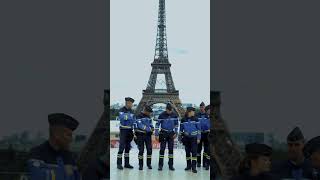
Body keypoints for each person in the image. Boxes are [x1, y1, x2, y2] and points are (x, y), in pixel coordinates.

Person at [27, 113, 80, 180]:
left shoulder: (69, 156)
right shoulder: (37, 154)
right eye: (68, 135)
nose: (71, 139)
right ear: (56, 135)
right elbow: (38, 177)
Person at [155, 103, 179, 171]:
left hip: (171, 133)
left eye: (171, 110)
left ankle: (171, 165)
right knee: (162, 150)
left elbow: (177, 125)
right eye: (168, 110)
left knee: (171, 150)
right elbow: (157, 125)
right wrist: (156, 134)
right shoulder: (161, 115)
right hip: (163, 133)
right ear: (166, 109)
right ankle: (160, 165)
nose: (170, 112)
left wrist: (176, 133)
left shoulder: (174, 115)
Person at [179, 106, 201, 173]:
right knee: (187, 152)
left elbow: (199, 129)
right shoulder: (183, 120)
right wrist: (180, 138)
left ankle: (194, 167)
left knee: (194, 152)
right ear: (189, 112)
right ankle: (188, 166)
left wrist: (198, 138)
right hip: (186, 138)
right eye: (193, 111)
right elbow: (181, 130)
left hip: (194, 138)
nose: (194, 112)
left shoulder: (196, 119)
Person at [117, 97, 135, 170]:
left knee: (127, 148)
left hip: (130, 130)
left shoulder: (132, 111)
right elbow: (122, 118)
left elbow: (133, 120)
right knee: (121, 148)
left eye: (132, 103)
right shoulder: (121, 110)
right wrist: (130, 117)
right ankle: (119, 164)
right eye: (131, 103)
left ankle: (126, 163)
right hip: (123, 130)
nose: (131, 105)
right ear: (127, 103)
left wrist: (128, 117)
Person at [134, 105, 154, 170]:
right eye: (149, 112)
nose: (149, 114)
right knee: (141, 150)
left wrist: (152, 128)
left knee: (149, 150)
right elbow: (140, 126)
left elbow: (151, 124)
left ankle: (149, 164)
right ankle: (140, 165)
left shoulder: (149, 116)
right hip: (140, 135)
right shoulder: (138, 116)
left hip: (148, 135)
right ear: (145, 110)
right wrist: (148, 129)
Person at [196, 102, 210, 170]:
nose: (202, 108)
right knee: (198, 149)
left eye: (203, 107)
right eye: (201, 107)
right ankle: (198, 162)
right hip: (199, 134)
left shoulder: (208, 115)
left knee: (206, 150)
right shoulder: (197, 115)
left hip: (207, 134)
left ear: (205, 107)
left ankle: (205, 163)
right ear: (200, 107)